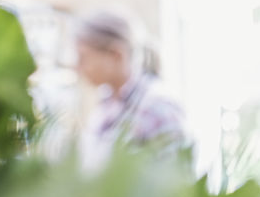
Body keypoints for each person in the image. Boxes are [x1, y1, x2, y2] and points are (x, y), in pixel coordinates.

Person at [73, 9, 189, 173]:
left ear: (116, 55)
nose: (77, 67)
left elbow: (176, 180)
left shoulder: (158, 107)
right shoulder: (106, 105)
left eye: (83, 57)